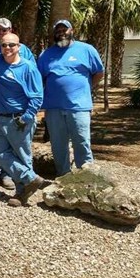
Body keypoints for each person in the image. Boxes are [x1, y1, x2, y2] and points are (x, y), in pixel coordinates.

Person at [0, 17, 37, 191]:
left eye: (5, 30)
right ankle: (19, 178)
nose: (1, 34)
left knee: (20, 149)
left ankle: (20, 184)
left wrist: (28, 114)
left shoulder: (24, 53)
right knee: (0, 147)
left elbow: (33, 82)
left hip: (20, 109)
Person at [37, 19, 103, 176]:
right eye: (58, 31)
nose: (61, 33)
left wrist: (84, 88)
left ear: (72, 30)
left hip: (79, 107)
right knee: (58, 146)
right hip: (53, 108)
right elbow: (39, 78)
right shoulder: (46, 55)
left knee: (82, 142)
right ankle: (64, 178)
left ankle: (86, 178)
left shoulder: (87, 50)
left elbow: (99, 73)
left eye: (64, 30)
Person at [0, 33, 44, 207]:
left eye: (11, 45)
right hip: (2, 118)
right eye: (4, 45)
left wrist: (26, 118)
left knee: (22, 156)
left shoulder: (28, 68)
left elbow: (37, 97)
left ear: (19, 47)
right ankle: (30, 178)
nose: (7, 48)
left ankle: (22, 194)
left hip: (20, 119)